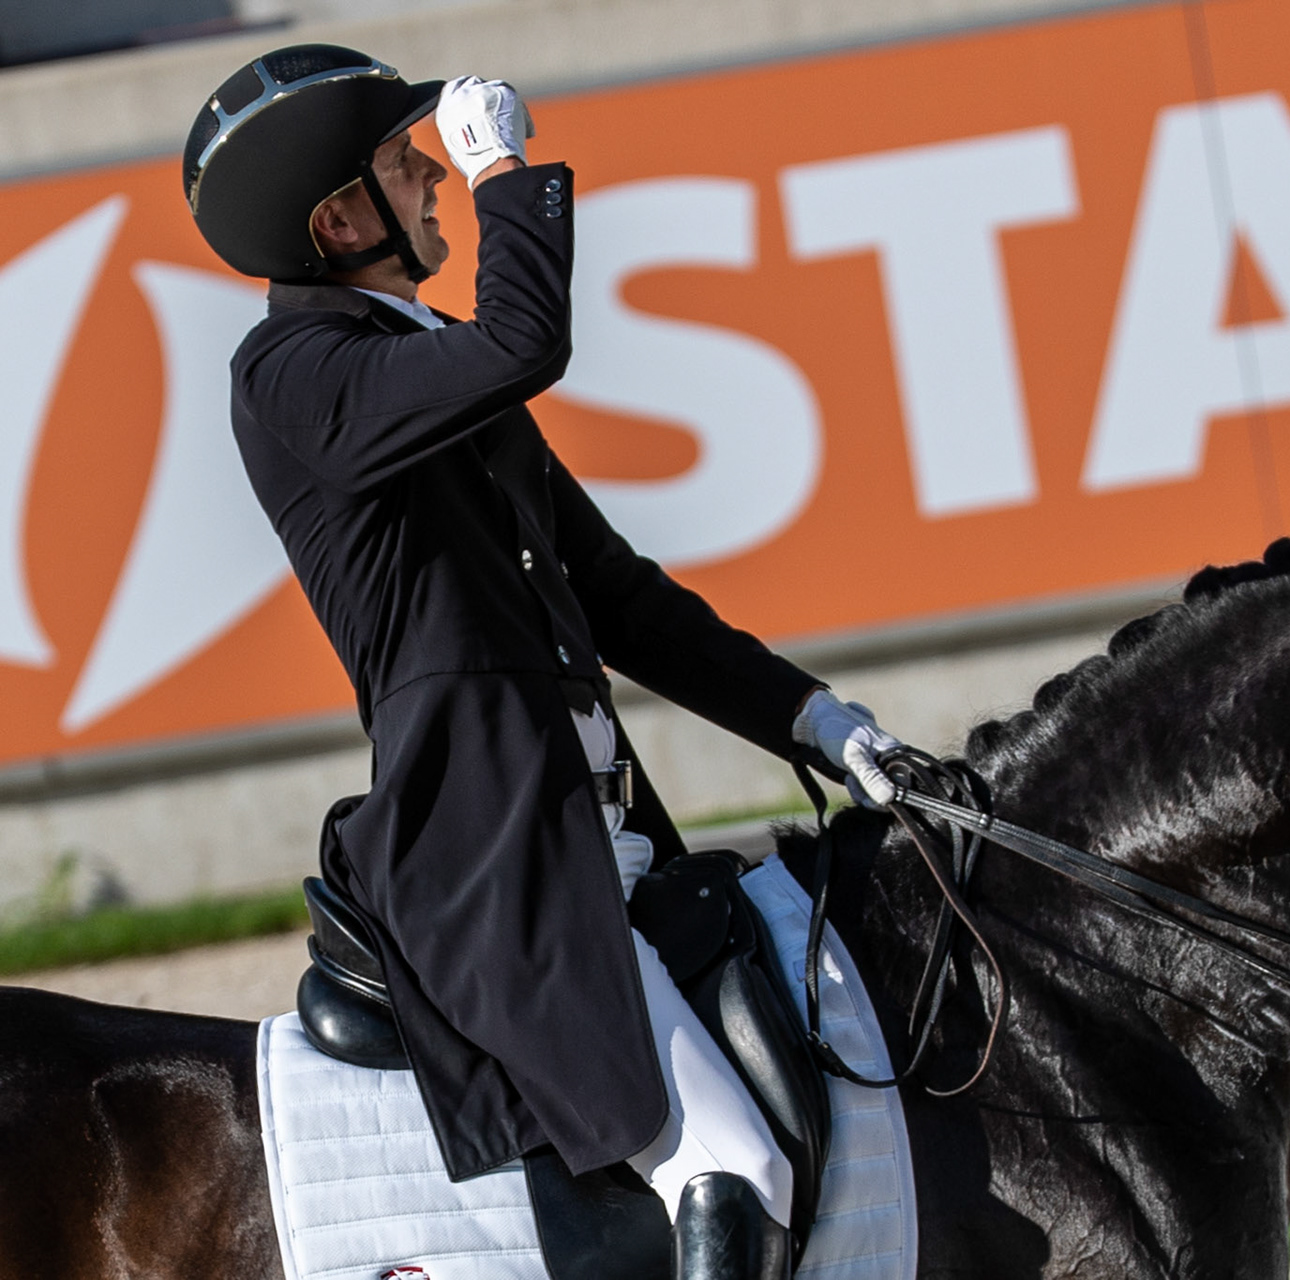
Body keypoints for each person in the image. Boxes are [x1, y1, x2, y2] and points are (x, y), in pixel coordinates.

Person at [182, 44, 903, 1279]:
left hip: (587, 836)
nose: (436, 185)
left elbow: (620, 595)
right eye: (410, 167)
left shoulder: (432, 373)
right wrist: (504, 163)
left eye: (437, 162)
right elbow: (528, 334)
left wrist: (816, 717)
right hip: (484, 854)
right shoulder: (294, 373)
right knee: (729, 1165)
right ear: (340, 217)